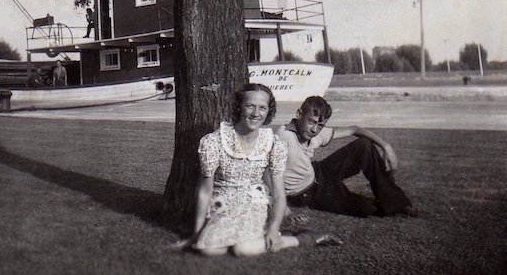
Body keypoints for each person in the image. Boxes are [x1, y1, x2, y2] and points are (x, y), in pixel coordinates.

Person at [177, 84, 343, 257]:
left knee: (244, 249)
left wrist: (273, 229)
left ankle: (307, 238)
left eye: (262, 108)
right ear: (239, 107)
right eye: (250, 106)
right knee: (209, 250)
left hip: (254, 201)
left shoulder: (273, 143)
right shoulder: (214, 141)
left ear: (268, 111)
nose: (256, 113)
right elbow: (205, 191)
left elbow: (278, 194)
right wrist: (197, 233)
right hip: (223, 202)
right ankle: (259, 237)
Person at [276, 95, 417, 219]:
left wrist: (386, 146)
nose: (314, 130)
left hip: (317, 172)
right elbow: (267, 171)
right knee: (365, 209)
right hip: (306, 193)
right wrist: (283, 205)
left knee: (364, 145)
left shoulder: (315, 133)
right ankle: (375, 203)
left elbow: (354, 129)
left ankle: (396, 203)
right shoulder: (284, 135)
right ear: (299, 114)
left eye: (320, 125)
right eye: (311, 122)